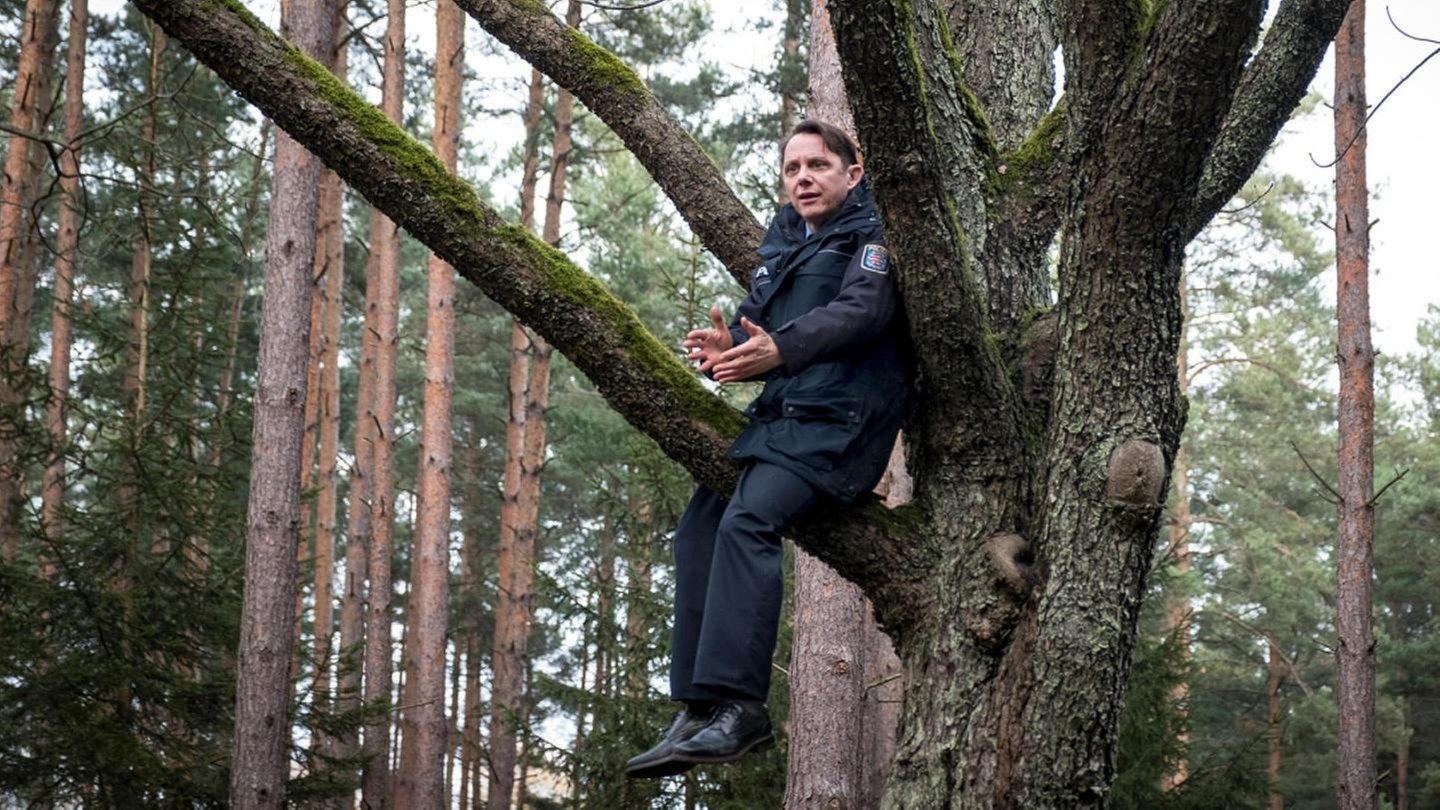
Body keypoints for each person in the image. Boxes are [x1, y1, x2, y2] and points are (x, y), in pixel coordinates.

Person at [625, 120, 911, 778]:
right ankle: (700, 707)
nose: (804, 178)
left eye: (818, 165)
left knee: (749, 521)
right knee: (699, 526)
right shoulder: (784, 244)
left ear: (853, 174)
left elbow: (863, 312)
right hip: (783, 420)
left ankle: (742, 708)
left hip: (840, 423)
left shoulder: (873, 237)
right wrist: (725, 354)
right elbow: (757, 323)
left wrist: (779, 349)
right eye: (792, 169)